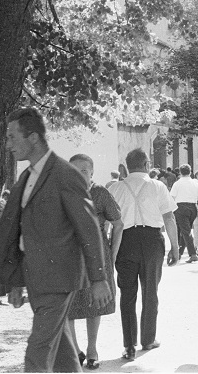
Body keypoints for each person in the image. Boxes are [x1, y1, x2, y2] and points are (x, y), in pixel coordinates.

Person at [0, 107, 111, 372]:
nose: (8, 145)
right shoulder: (27, 176)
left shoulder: (65, 174)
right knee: (63, 354)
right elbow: (22, 234)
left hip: (59, 280)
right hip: (36, 277)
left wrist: (99, 279)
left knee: (38, 350)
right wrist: (15, 282)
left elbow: (88, 229)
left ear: (33, 137)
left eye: (12, 137)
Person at [108, 148, 179, 360]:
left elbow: (107, 223)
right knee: (150, 291)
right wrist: (175, 247)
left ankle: (129, 345)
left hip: (125, 241)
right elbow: (169, 218)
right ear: (147, 164)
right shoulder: (158, 186)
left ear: (127, 166)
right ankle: (148, 339)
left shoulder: (116, 188)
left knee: (127, 294)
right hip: (151, 241)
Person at [68, 154, 124, 370]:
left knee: (94, 303)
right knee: (68, 304)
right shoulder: (63, 192)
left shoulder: (100, 193)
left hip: (96, 255)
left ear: (92, 172)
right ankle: (75, 350)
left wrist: (112, 253)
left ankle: (92, 350)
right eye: (74, 170)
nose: (79, 174)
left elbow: (118, 223)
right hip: (70, 256)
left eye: (84, 170)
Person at [170, 164, 198, 263]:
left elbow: (171, 198)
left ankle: (192, 254)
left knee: (185, 231)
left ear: (180, 172)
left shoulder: (177, 184)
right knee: (185, 230)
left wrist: (171, 210)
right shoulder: (195, 183)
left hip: (180, 207)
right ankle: (179, 253)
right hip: (193, 207)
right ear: (190, 171)